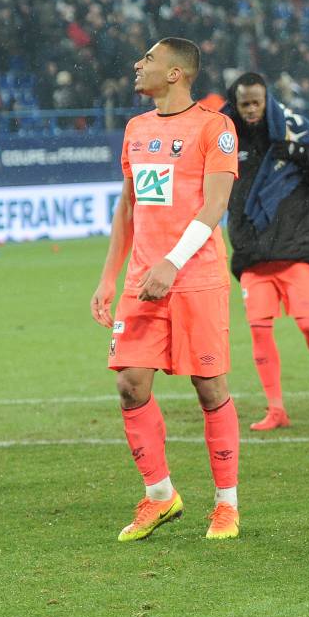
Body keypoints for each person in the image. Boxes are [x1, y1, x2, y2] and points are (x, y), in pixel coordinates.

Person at [89, 37, 242, 542]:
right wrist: (109, 277)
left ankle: (226, 505)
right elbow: (129, 207)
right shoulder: (136, 129)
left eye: (149, 59)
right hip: (143, 279)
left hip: (195, 277)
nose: (138, 64)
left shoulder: (215, 127)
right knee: (130, 384)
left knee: (209, 387)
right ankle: (160, 495)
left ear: (176, 73)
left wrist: (173, 263)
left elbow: (214, 206)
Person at [223, 72, 309, 431]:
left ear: (267, 101)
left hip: (296, 248)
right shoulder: (226, 138)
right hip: (253, 253)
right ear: (236, 104)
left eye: (256, 103)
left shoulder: (293, 131)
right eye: (244, 104)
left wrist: (296, 152)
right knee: (259, 332)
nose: (250, 110)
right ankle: (276, 408)